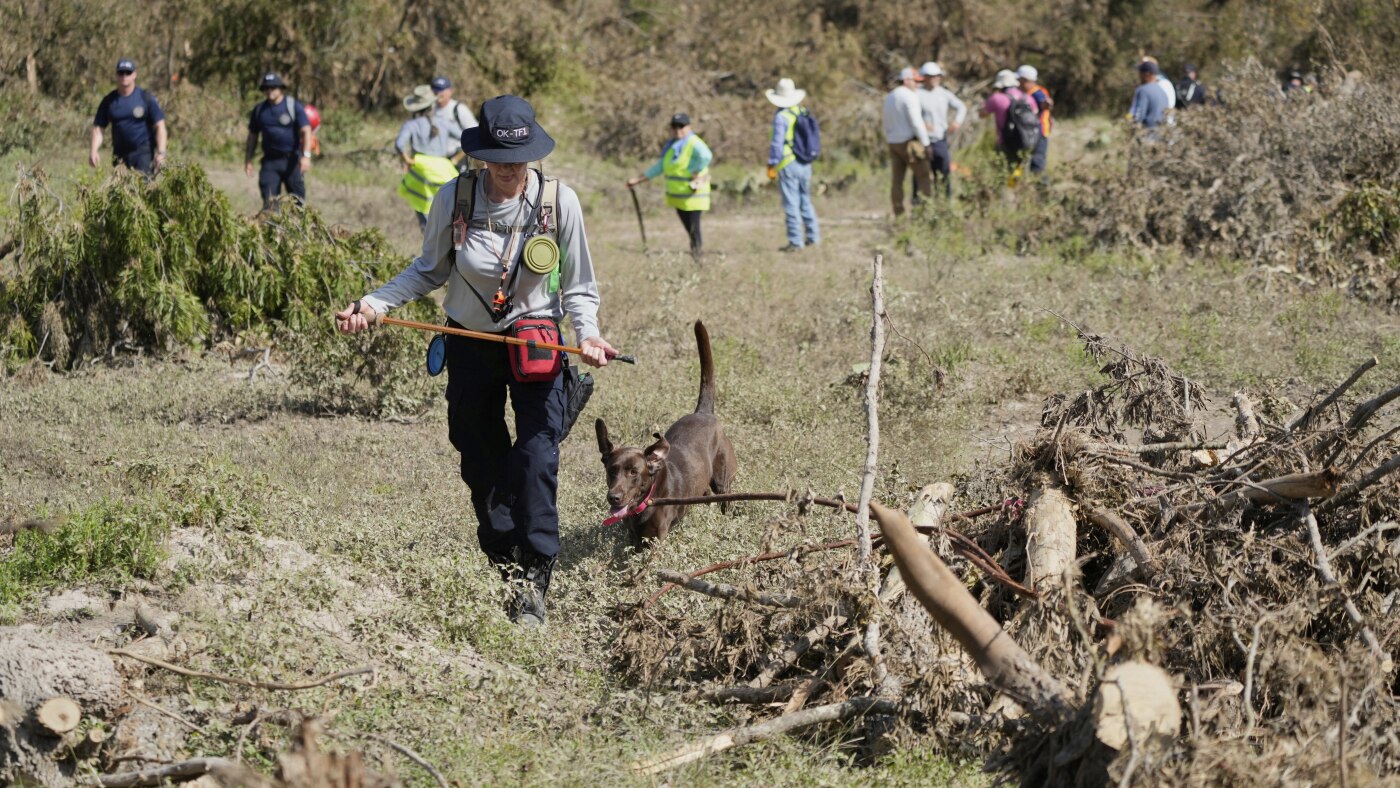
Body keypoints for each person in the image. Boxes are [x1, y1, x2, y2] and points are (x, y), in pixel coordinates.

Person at [334, 95, 616, 627]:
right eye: (499, 159)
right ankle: (503, 558)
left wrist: (591, 335)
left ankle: (534, 577)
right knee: (481, 463)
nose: (510, 171)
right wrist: (373, 304)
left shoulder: (559, 202)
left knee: (535, 461)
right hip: (470, 341)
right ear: (480, 154)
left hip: (536, 342)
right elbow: (427, 270)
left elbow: (579, 286)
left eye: (520, 160)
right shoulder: (456, 197)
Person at [626, 113, 712, 260]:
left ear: (689, 127)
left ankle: (698, 258)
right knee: (689, 230)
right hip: (679, 197)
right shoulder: (672, 146)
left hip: (693, 196)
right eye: (674, 126)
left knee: (693, 229)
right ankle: (697, 256)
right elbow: (661, 166)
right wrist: (639, 179)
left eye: (681, 126)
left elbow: (706, 156)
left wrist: (696, 170)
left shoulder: (693, 142)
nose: (678, 129)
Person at [396, 86, 461, 232]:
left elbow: (399, 144)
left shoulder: (411, 124)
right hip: (444, 169)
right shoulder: (444, 122)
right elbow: (466, 139)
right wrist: (456, 159)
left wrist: (408, 160)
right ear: (432, 105)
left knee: (422, 210)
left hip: (420, 169)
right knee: (447, 212)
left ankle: (429, 245)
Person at [765, 78, 819, 251]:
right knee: (805, 200)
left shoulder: (782, 116)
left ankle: (796, 242)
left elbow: (777, 143)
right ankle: (813, 237)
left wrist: (772, 163)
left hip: (788, 163)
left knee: (791, 203)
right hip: (805, 162)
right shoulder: (801, 111)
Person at [244, 72, 313, 210]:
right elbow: (253, 136)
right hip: (270, 163)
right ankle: (273, 230)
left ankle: (297, 230)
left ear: (281, 89)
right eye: (266, 88)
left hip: (292, 162)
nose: (270, 91)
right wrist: (248, 159)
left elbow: (306, 131)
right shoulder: (259, 110)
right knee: (270, 205)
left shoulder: (293, 106)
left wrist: (306, 156)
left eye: (273, 87)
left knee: (298, 204)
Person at [89, 58, 167, 175]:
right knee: (120, 191)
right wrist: (94, 150)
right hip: (119, 156)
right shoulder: (109, 101)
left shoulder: (145, 98)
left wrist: (161, 153)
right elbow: (98, 129)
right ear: (116, 75)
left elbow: (160, 126)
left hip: (143, 153)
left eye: (128, 72)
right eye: (121, 73)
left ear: (134, 74)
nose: (124, 76)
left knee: (142, 190)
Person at [882, 67, 931, 216]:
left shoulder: (890, 96)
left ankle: (899, 214)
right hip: (909, 143)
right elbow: (916, 122)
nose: (917, 85)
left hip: (893, 142)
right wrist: (926, 144)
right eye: (915, 81)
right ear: (906, 80)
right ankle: (926, 214)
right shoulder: (909, 96)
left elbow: (886, 122)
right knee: (924, 177)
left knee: (897, 181)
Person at [916, 62, 966, 199]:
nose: (934, 79)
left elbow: (961, 107)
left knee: (944, 173)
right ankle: (919, 206)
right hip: (921, 141)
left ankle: (945, 204)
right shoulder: (917, 94)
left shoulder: (944, 94)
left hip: (940, 140)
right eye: (931, 76)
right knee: (921, 175)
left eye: (937, 76)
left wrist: (957, 122)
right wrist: (921, 124)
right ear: (924, 77)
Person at [979, 69, 1030, 172]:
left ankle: (1006, 187)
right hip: (1026, 139)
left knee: (1003, 170)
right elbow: (1035, 112)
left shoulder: (997, 98)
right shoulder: (1026, 97)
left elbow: (982, 114)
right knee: (1019, 169)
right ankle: (1017, 186)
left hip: (1005, 140)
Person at [428, 76, 478, 169]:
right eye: (435, 90)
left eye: (441, 90)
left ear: (450, 91)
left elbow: (475, 135)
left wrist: (456, 159)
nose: (438, 93)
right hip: (436, 158)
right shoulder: (430, 109)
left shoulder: (459, 109)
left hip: (457, 159)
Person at [1016, 65, 1053, 178]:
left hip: (1039, 134)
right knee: (1021, 161)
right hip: (1030, 133)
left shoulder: (1037, 93)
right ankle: (1015, 187)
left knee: (1037, 163)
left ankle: (1042, 191)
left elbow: (1046, 103)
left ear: (1025, 80)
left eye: (1019, 80)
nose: (1018, 83)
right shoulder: (1031, 92)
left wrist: (1047, 104)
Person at [1129, 61, 1168, 129]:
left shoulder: (1143, 90)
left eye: (1140, 72)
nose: (1139, 75)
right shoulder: (1163, 92)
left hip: (1147, 136)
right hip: (1161, 135)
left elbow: (1138, 116)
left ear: (1147, 74)